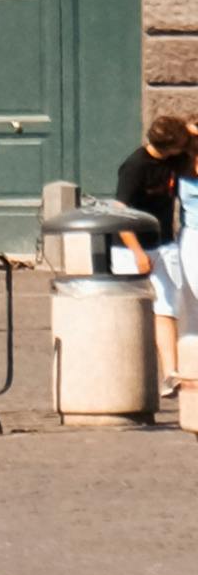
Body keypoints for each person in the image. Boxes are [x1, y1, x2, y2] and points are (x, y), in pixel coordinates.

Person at [121, 117, 198, 418]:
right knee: (188, 299)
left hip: (170, 241)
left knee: (178, 300)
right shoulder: (179, 163)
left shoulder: (177, 161)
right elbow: (124, 207)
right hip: (190, 236)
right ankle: (187, 367)